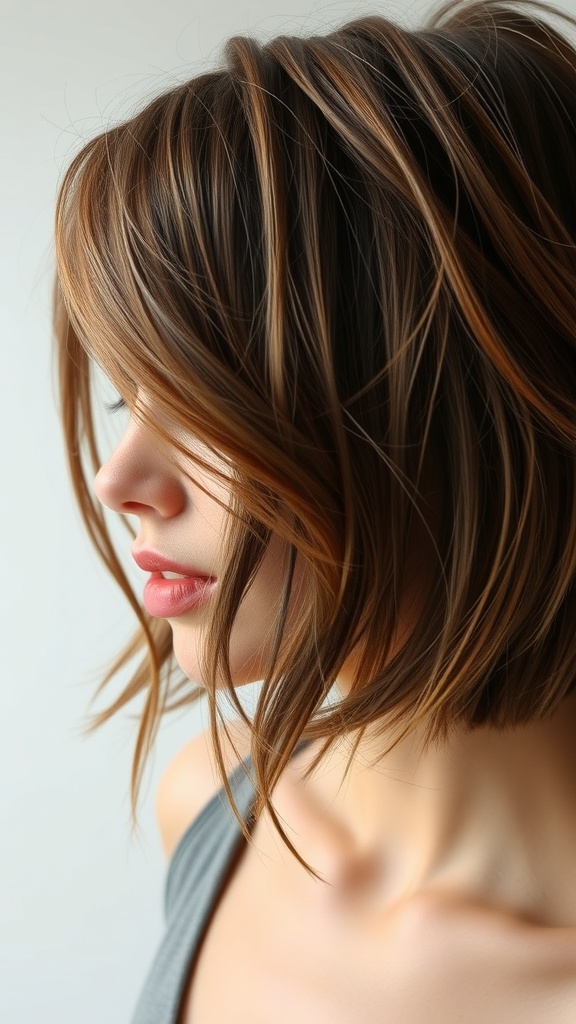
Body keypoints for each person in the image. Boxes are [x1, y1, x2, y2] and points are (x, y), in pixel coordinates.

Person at [53, 0, 576, 1018]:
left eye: (210, 404)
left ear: (459, 413)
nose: (123, 480)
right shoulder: (209, 803)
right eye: (129, 395)